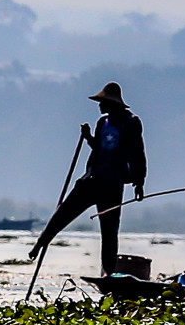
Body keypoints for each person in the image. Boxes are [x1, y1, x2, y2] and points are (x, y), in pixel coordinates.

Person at [28, 81, 147, 273]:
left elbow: (137, 154)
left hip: (112, 185)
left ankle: (108, 273)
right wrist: (88, 136)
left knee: (109, 233)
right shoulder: (102, 123)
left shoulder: (131, 122)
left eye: (102, 102)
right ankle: (40, 243)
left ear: (111, 103)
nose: (99, 106)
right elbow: (100, 150)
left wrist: (139, 182)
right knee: (63, 213)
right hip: (92, 180)